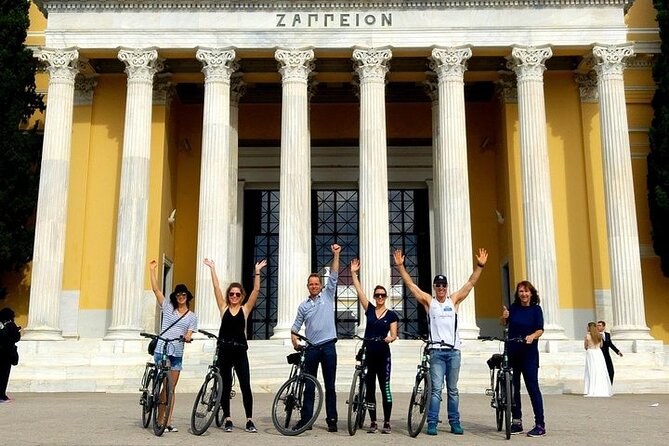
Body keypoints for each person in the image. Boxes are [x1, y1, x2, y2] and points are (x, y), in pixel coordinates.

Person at [393, 247, 488, 436]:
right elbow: (411, 286)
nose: (441, 289)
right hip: (436, 352)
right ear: (435, 288)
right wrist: (401, 267)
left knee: (453, 390)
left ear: (447, 287)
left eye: (444, 286)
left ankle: (455, 423)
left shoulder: (454, 301)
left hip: (453, 352)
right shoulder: (430, 302)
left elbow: (470, 283)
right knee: (436, 390)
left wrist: (479, 266)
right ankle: (432, 423)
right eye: (438, 286)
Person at [203, 258, 267, 433]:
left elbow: (256, 290)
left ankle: (249, 420)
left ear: (241, 296)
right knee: (225, 384)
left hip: (240, 352)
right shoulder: (223, 308)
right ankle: (228, 419)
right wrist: (212, 268)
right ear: (228, 295)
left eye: (237, 294)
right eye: (231, 294)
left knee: (245, 385)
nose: (234, 297)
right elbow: (216, 287)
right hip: (224, 351)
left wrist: (257, 271)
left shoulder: (245, 310)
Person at [291, 244, 341, 433]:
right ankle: (306, 420)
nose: (314, 286)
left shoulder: (327, 296)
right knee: (309, 386)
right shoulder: (303, 306)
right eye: (311, 284)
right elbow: (295, 327)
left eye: (316, 284)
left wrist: (336, 255)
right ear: (308, 286)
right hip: (311, 348)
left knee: (330, 386)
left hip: (328, 347)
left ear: (320, 286)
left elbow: (334, 275)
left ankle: (332, 420)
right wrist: (294, 339)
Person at [350, 258, 399, 434]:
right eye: (377, 295)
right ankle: (372, 422)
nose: (379, 297)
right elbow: (359, 290)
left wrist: (390, 339)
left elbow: (394, 334)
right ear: (374, 297)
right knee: (370, 389)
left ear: (386, 297)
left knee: (385, 388)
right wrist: (354, 273)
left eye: (382, 295)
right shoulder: (369, 309)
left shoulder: (391, 315)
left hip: (383, 355)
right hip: (369, 353)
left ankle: (386, 421)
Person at [149, 260, 198, 433]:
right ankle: (160, 418)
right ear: (175, 297)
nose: (181, 296)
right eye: (178, 294)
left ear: (187, 297)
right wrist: (152, 271)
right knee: (165, 385)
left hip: (177, 352)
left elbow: (190, 333)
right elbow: (156, 290)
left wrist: (187, 337)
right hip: (162, 349)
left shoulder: (192, 316)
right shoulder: (168, 307)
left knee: (171, 388)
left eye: (183, 294)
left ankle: (167, 420)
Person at [501, 281, 546, 437]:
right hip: (513, 351)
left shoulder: (536, 310)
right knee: (513, 388)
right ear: (517, 294)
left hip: (529, 354)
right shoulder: (513, 308)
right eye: (521, 291)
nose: (524, 294)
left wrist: (532, 336)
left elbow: (540, 329)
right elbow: (503, 323)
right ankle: (516, 421)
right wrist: (504, 317)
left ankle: (540, 424)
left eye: (526, 291)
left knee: (533, 388)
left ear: (531, 293)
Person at [583, 321, 613, 397]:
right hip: (599, 353)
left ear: (589, 328)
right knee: (600, 371)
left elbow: (586, 347)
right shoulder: (599, 336)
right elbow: (601, 345)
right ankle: (602, 389)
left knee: (591, 371)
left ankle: (591, 389)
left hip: (591, 353)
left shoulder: (587, 336)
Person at [0, 307, 21, 403]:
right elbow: (16, 338)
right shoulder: (11, 325)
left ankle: (2, 396)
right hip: (6, 354)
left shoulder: (3, 325)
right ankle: (2, 396)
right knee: (4, 376)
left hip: (2, 353)